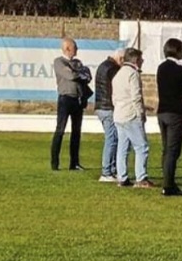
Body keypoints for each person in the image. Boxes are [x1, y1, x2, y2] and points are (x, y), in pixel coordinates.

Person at [157, 38, 182, 197]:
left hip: (162, 111)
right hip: (175, 113)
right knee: (173, 150)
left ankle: (167, 180)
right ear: (178, 51)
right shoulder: (180, 70)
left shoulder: (161, 68)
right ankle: (168, 186)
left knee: (166, 148)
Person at [50, 37, 92, 172]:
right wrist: (80, 73)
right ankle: (55, 163)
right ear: (68, 48)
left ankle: (74, 163)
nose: (77, 50)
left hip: (78, 99)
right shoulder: (59, 62)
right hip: (65, 99)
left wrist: (80, 73)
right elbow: (71, 75)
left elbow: (88, 76)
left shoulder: (77, 62)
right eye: (75, 47)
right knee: (60, 130)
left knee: (76, 132)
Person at [113, 48, 153, 188]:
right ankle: (141, 178)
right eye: (141, 59)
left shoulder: (118, 74)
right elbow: (136, 96)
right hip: (131, 114)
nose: (142, 61)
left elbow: (114, 97)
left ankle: (122, 177)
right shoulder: (133, 74)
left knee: (122, 148)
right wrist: (140, 113)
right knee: (142, 146)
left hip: (119, 114)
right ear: (135, 60)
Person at [94, 48, 124, 182]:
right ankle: (106, 172)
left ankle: (111, 170)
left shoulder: (103, 65)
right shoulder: (113, 69)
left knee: (113, 138)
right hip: (108, 107)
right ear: (120, 59)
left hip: (101, 106)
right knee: (112, 138)